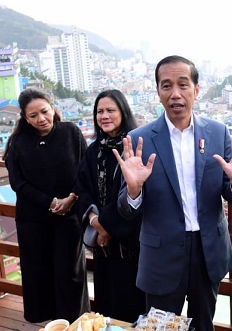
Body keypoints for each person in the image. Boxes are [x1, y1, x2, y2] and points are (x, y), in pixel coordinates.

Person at [115, 55, 232, 331]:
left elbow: (231, 193)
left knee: (204, 323)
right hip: (162, 253)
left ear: (197, 89)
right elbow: (125, 208)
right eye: (166, 86)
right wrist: (133, 190)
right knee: (161, 326)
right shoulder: (139, 140)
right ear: (157, 92)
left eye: (183, 84)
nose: (175, 94)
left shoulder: (217, 133)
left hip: (208, 251)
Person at [3, 88, 89, 323]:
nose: (41, 119)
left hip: (69, 216)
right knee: (37, 272)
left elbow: (85, 169)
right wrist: (49, 202)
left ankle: (75, 322)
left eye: (44, 111)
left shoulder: (70, 132)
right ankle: (48, 324)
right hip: (33, 219)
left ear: (52, 108)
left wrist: (71, 197)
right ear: (24, 117)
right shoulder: (19, 142)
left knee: (69, 273)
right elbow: (17, 183)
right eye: (33, 115)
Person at [74, 89, 146, 322]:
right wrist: (96, 223)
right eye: (99, 111)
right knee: (107, 307)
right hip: (103, 247)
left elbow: (136, 194)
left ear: (123, 112)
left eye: (110, 110)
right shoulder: (93, 150)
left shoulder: (135, 147)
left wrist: (107, 228)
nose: (104, 116)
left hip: (131, 247)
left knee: (133, 306)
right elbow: (82, 190)